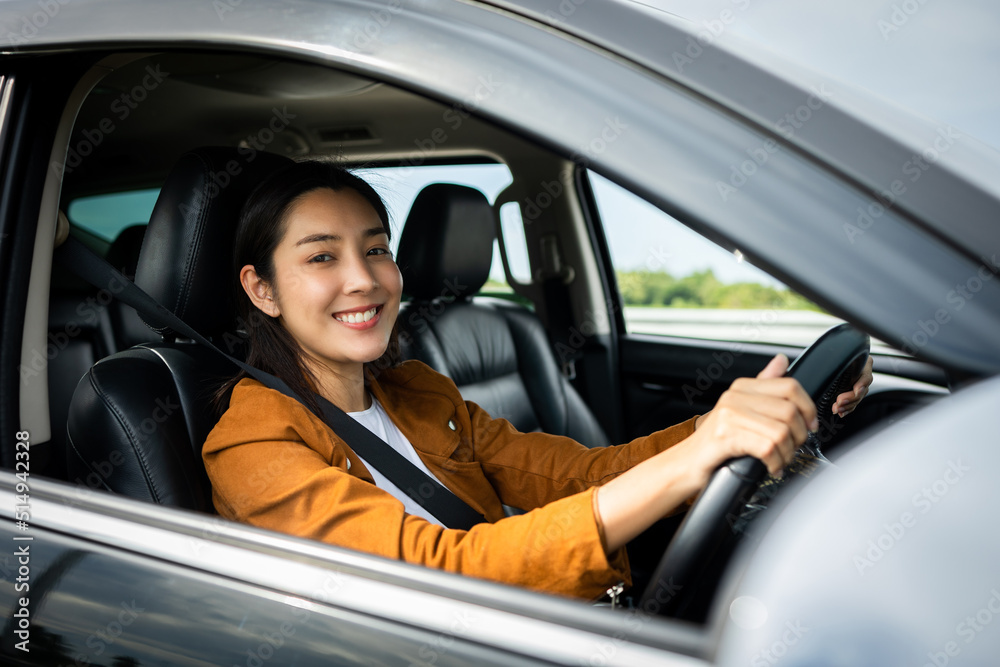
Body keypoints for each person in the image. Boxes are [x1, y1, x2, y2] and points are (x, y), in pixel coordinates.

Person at [202, 161, 873, 600]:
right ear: (261, 290)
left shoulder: (417, 390)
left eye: (376, 248)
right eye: (323, 256)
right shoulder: (252, 443)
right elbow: (442, 575)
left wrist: (732, 422)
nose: (365, 278)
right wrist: (699, 455)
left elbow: (587, 475)